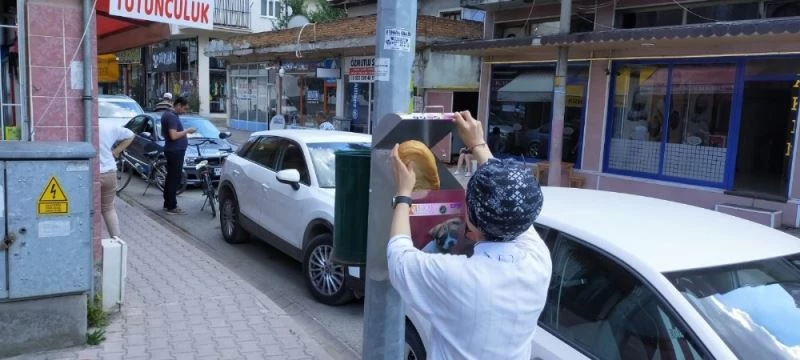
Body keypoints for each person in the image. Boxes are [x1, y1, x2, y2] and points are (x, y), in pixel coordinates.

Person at [387, 110, 552, 360]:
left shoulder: (457, 277)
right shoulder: (538, 261)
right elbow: (511, 202)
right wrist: (478, 144)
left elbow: (398, 258)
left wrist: (403, 193)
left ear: (471, 223)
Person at [160, 96, 196, 215]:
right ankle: (172, 206)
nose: (184, 111)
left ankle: (168, 203)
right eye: (184, 108)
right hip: (175, 151)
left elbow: (163, 133)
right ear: (178, 105)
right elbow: (173, 135)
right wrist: (187, 131)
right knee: (174, 179)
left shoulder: (167, 114)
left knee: (170, 177)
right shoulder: (172, 117)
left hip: (172, 150)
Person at [99, 122, 135, 237]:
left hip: (88, 174)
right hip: (109, 172)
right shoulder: (108, 125)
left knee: (86, 209)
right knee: (108, 208)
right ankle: (116, 242)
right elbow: (131, 135)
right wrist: (115, 152)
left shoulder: (76, 125)